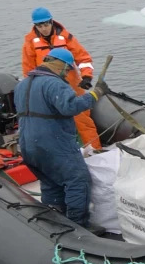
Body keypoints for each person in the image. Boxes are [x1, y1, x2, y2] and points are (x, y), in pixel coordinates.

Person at [14, 48, 108, 230]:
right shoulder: (55, 84)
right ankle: (77, 226)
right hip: (52, 144)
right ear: (60, 65)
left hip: (27, 145)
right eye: (67, 70)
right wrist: (96, 94)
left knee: (51, 182)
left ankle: (55, 221)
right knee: (77, 180)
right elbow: (70, 107)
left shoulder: (22, 85)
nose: (67, 74)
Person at [21, 7, 102, 150]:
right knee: (55, 124)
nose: (44, 28)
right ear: (35, 26)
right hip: (48, 90)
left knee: (84, 122)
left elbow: (83, 59)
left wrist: (87, 77)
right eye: (40, 25)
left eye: (46, 24)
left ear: (51, 22)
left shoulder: (66, 37)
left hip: (73, 86)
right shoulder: (30, 43)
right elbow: (28, 70)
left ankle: (96, 152)